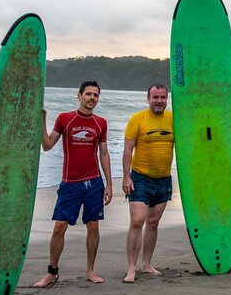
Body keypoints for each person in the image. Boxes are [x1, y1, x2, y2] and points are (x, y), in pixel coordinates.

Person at [33, 80, 113, 287]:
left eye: (96, 95)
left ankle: (90, 270)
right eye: (88, 94)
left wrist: (109, 184)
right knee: (60, 227)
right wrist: (42, 121)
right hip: (70, 183)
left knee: (93, 226)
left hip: (94, 183)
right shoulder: (65, 119)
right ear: (79, 96)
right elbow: (47, 145)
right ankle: (52, 272)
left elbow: (103, 153)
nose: (92, 98)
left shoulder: (100, 123)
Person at [122, 84, 174, 283]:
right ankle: (131, 268)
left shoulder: (173, 119)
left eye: (162, 97)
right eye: (155, 97)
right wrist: (126, 177)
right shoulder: (137, 119)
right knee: (137, 221)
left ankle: (146, 264)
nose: (159, 101)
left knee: (153, 223)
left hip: (164, 179)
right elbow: (128, 150)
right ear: (148, 99)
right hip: (140, 177)